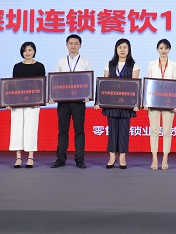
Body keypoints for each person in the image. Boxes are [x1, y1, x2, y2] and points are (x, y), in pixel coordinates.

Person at [94, 38, 140, 169]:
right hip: (112, 104)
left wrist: (136, 103)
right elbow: (104, 84)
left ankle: (122, 158)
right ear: (116, 49)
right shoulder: (109, 64)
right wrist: (99, 102)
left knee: (124, 131)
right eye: (120, 47)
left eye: (125, 47)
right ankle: (112, 157)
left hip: (126, 105)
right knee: (112, 131)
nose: (122, 50)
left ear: (129, 49)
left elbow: (135, 86)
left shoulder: (134, 65)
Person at [51, 34, 92, 169]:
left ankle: (79, 159)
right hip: (63, 101)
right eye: (70, 43)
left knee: (79, 130)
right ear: (67, 45)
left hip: (79, 101)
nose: (73, 46)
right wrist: (53, 96)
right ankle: (60, 159)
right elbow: (55, 80)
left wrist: (88, 95)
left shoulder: (85, 62)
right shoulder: (61, 61)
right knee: (62, 131)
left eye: (76, 43)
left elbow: (88, 81)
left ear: (80, 45)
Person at [9, 42, 45, 169]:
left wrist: (39, 100)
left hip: (33, 104)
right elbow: (13, 85)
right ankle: (18, 157)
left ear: (34, 51)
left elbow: (42, 85)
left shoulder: (40, 66)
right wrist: (10, 102)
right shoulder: (17, 67)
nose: (27, 53)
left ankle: (30, 156)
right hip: (18, 103)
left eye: (30, 50)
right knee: (16, 129)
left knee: (31, 129)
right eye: (25, 50)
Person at [146, 39, 176, 171]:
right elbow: (148, 84)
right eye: (161, 48)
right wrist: (146, 102)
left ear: (169, 49)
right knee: (154, 131)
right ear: (157, 49)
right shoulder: (152, 64)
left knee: (167, 131)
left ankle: (165, 158)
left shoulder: (174, 65)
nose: (163, 50)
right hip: (154, 102)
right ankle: (154, 158)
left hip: (169, 102)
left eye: (166, 48)